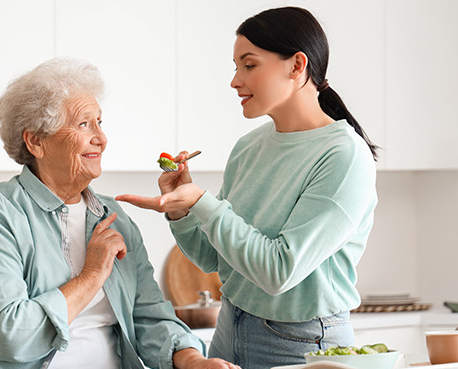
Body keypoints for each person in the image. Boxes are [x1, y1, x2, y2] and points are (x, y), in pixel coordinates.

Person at [116, 6, 378, 369]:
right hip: (230, 325)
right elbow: (213, 258)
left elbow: (279, 272)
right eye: (236, 67)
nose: (235, 80)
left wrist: (204, 203)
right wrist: (181, 209)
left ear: (297, 65)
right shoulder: (249, 147)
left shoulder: (344, 156)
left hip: (301, 342)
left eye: (249, 65)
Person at [0, 57, 240, 369]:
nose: (101, 138)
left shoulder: (113, 217)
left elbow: (149, 317)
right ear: (35, 141)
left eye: (100, 122)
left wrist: (193, 360)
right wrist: (92, 275)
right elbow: (10, 336)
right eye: (83, 124)